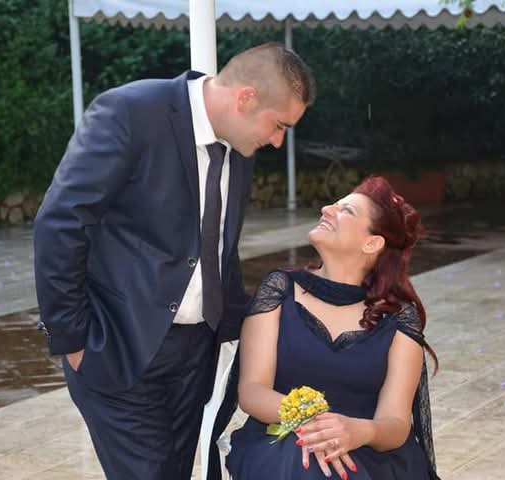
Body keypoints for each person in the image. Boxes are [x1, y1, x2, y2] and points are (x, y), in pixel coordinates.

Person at [32, 42, 315, 480]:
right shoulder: (130, 112)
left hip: (194, 354)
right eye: (279, 125)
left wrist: (242, 329)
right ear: (246, 98)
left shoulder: (239, 146)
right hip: (117, 343)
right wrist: (72, 338)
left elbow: (217, 248)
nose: (278, 141)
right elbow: (60, 223)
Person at [219, 175, 440, 480]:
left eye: (346, 210)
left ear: (372, 243)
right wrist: (316, 425)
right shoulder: (280, 290)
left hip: (370, 451)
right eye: (333, 205)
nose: (326, 209)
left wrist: (358, 431)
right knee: (300, 458)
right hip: (281, 440)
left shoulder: (399, 318)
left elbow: (396, 424)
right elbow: (252, 390)